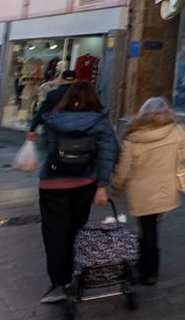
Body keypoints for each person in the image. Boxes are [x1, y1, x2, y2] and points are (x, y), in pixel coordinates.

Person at [29, 81, 120, 304]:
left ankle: (59, 282)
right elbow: (109, 154)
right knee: (76, 229)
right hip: (83, 183)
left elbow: (47, 148)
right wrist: (102, 185)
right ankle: (73, 274)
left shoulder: (53, 119)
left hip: (52, 183)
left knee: (54, 233)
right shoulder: (100, 121)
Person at [110, 98, 185, 285]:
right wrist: (174, 159)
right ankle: (148, 267)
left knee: (147, 227)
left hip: (140, 191)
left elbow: (123, 170)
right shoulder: (175, 131)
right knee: (151, 227)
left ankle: (148, 270)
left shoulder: (134, 138)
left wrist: (116, 189)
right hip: (165, 188)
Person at [27, 69, 77, 133]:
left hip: (54, 126)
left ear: (61, 79)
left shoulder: (53, 94)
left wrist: (33, 128)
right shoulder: (81, 94)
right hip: (74, 128)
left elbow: (43, 110)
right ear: (75, 80)